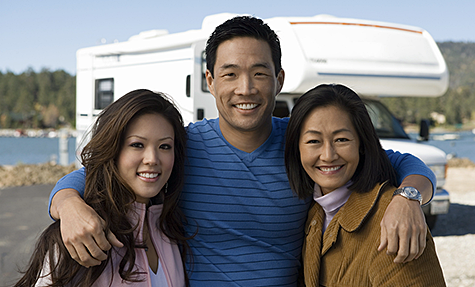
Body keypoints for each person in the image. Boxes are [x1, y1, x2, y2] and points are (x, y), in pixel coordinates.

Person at [47, 16, 436, 286]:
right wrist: (67, 203)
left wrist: (409, 198)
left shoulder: (305, 145)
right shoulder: (183, 144)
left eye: (260, 73)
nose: (245, 88)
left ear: (279, 79)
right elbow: (98, 172)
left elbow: (403, 162)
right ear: (210, 81)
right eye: (230, 74)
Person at [15, 89, 190, 286]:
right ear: (112, 150)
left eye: (164, 146)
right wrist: (66, 201)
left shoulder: (173, 230)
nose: (152, 159)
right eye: (137, 145)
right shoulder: (78, 233)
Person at [285, 84, 446, 286]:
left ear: (362, 144)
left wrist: (408, 198)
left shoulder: (393, 221)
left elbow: (406, 163)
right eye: (313, 141)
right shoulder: (314, 211)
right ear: (296, 148)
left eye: (342, 139)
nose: (328, 155)